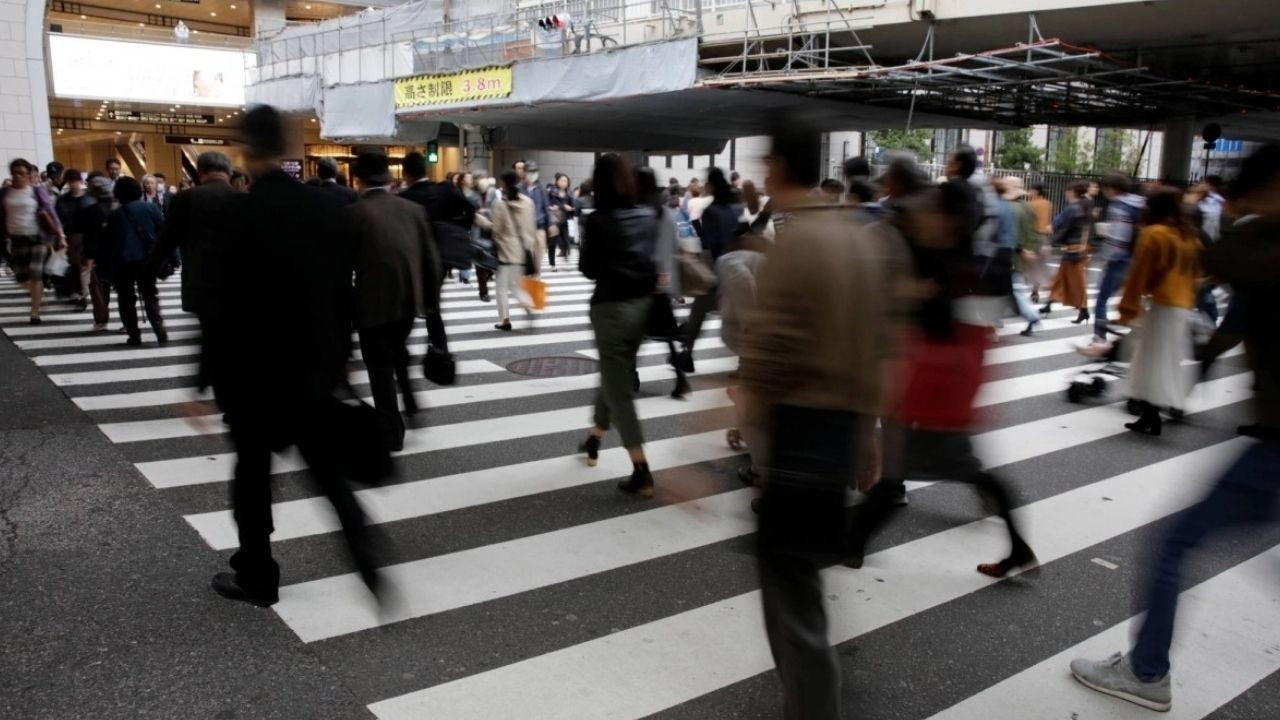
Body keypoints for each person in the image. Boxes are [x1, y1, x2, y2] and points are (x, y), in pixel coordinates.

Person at [1070, 144, 1280, 713]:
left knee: (1172, 544)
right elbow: (1233, 314)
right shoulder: (1226, 245)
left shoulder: (1253, 245)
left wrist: (1215, 209)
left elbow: (1228, 260)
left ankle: (1146, 672)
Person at [740, 127, 909, 720]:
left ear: (781, 166)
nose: (762, 174)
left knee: (791, 594)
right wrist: (870, 433)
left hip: (799, 434)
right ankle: (809, 701)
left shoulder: (797, 244)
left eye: (766, 163)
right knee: (801, 581)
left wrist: (744, 431)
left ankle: (812, 707)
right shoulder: (859, 238)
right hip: (839, 430)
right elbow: (879, 344)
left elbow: (767, 355)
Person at [209, 104, 384, 608]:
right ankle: (363, 549)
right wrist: (342, 355)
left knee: (253, 477)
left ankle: (258, 574)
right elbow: (343, 292)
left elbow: (223, 307)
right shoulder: (328, 210)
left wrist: (204, 380)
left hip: (254, 374)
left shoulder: (238, 215)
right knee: (327, 470)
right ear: (288, 146)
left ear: (246, 148)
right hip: (314, 365)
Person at [577, 154, 659, 497]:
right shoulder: (647, 214)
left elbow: (589, 269)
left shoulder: (597, 221)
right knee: (616, 375)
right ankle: (595, 437)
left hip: (611, 309)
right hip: (644, 309)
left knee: (619, 388)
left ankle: (641, 470)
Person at [347, 150, 440, 451]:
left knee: (379, 368)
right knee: (396, 350)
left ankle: (392, 431)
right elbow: (431, 261)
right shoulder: (412, 210)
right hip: (407, 303)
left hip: (372, 304)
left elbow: (342, 265)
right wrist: (429, 303)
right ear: (388, 178)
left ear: (358, 179)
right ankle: (410, 403)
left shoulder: (354, 213)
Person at [150, 151, 238, 401]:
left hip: (202, 283)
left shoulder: (187, 198)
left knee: (213, 336)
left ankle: (225, 394)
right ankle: (234, 395)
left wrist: (151, 271)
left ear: (200, 173)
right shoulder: (243, 199)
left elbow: (165, 240)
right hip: (238, 285)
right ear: (229, 172)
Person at [1116, 186, 1203, 436]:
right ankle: (1152, 414)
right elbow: (1196, 273)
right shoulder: (1187, 235)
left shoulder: (1154, 233)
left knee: (1148, 360)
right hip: (1182, 305)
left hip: (1162, 305)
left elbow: (1139, 274)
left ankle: (1150, 415)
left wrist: (1127, 308)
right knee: (1163, 361)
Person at [399, 151, 470, 354]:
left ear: (406, 174)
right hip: (440, 258)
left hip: (413, 259)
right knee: (432, 306)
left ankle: (400, 347)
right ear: (425, 170)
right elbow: (469, 210)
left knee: (410, 305)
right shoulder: (445, 190)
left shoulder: (404, 198)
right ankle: (440, 348)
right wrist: (455, 229)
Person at [677, 167, 738, 371]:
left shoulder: (712, 211)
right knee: (737, 316)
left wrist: (698, 231)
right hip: (736, 267)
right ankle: (744, 362)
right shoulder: (734, 209)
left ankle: (687, 355)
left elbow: (709, 243)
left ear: (711, 186)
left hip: (718, 267)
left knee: (699, 312)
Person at [636, 167, 689, 399]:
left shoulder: (642, 213)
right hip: (664, 284)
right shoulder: (666, 213)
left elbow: (646, 251)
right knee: (666, 335)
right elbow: (674, 249)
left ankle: (630, 374)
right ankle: (680, 377)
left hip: (647, 282)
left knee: (635, 333)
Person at [103, 176, 169, 345]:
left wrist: (106, 266)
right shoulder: (151, 208)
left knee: (125, 297)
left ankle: (134, 334)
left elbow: (108, 242)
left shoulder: (114, 215)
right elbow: (164, 233)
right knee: (149, 293)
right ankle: (159, 329)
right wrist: (172, 258)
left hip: (123, 261)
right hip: (147, 259)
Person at [2, 158, 65, 324]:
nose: (18, 176)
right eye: (15, 173)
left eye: (22, 173)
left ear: (29, 174)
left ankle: (35, 312)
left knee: (36, 274)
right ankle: (38, 296)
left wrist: (60, 234)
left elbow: (51, 212)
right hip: (16, 239)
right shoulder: (5, 192)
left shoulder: (36, 191)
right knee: (21, 277)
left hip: (37, 238)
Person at [1089, 172, 1146, 345]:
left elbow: (1118, 239)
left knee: (1102, 299)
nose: (1103, 192)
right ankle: (1141, 333)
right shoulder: (1140, 203)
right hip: (1138, 259)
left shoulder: (1119, 207)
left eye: (1104, 189)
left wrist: (1104, 257)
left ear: (1112, 189)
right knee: (1135, 297)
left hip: (1121, 260)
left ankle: (1099, 336)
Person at [991, 176, 1042, 336]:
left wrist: (1021, 250)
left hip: (1011, 254)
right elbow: (1033, 232)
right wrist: (1031, 250)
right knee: (1010, 288)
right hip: (1022, 254)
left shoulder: (1009, 208)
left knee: (1010, 289)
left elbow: (1011, 235)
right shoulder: (1028, 207)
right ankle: (998, 318)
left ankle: (1030, 315)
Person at [489, 170, 536, 331]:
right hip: (523, 249)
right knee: (514, 285)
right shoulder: (528, 202)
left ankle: (505, 320)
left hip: (506, 250)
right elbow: (531, 227)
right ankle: (527, 304)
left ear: (503, 184)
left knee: (501, 287)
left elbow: (496, 230)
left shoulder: (500, 204)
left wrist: (482, 221)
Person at [1040, 180, 1092, 323]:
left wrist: (1050, 242)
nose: (1066, 193)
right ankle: (1048, 304)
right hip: (1075, 250)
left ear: (1072, 192)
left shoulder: (1073, 208)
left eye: (1068, 190)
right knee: (1059, 280)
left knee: (1076, 283)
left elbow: (1064, 229)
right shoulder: (1081, 206)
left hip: (1073, 251)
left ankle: (1084, 310)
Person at [54, 168, 93, 309]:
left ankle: (82, 295)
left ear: (80, 181)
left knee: (84, 267)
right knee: (75, 266)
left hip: (86, 236)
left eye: (75, 181)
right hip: (69, 236)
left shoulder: (88, 199)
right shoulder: (62, 200)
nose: (73, 184)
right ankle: (78, 293)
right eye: (70, 181)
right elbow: (57, 219)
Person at [80, 175, 116, 331]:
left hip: (99, 254)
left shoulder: (91, 210)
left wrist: (88, 255)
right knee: (124, 288)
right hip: (119, 252)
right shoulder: (118, 207)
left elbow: (88, 235)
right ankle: (129, 322)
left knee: (100, 288)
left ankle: (101, 319)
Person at [517, 160, 550, 276]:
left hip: (539, 228)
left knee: (538, 258)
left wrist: (550, 225)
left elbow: (546, 208)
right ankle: (527, 283)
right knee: (527, 259)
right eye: (530, 171)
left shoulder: (541, 189)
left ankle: (536, 281)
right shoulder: (518, 188)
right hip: (524, 229)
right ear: (524, 172)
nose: (532, 174)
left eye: (534, 171)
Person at [1026, 183, 1053, 302]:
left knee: (1030, 264)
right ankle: (1036, 290)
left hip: (1032, 237)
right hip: (1044, 237)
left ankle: (1035, 290)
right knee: (1040, 264)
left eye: (1030, 190)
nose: (1029, 192)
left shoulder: (1031, 205)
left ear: (1036, 191)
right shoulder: (1048, 204)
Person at [547, 172, 575, 270]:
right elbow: (546, 204)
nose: (563, 182)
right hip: (553, 221)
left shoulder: (569, 193)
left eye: (565, 181)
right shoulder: (551, 192)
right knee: (552, 243)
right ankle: (552, 264)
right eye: (561, 180)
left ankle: (566, 257)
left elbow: (573, 207)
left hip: (564, 220)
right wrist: (551, 207)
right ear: (557, 181)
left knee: (566, 241)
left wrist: (571, 209)